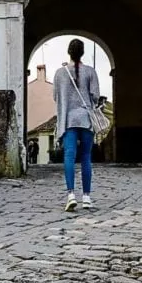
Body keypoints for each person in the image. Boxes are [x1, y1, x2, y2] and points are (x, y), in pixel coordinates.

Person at [53, 38, 100, 211]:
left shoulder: (60, 73)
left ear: (69, 52)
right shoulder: (90, 72)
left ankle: (71, 194)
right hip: (86, 120)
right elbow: (95, 95)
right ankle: (86, 197)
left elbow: (55, 96)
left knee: (69, 157)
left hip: (68, 120)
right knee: (86, 157)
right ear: (82, 52)